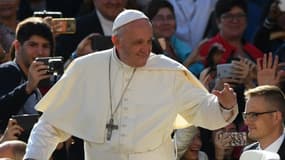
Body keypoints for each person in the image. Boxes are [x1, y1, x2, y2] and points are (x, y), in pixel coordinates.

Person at [23, 9, 238, 160]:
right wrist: (33, 156)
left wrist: (225, 106)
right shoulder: (85, 68)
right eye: (137, 42)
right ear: (116, 41)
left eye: (148, 41)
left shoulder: (169, 71)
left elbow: (202, 111)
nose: (146, 49)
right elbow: (51, 124)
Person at [0, 17, 54, 133]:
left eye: (45, 46)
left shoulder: (42, 81)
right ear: (18, 46)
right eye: (33, 45)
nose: (40, 52)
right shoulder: (8, 71)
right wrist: (28, 87)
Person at [242, 85, 285, 159]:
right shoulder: (247, 153)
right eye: (246, 115)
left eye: (254, 115)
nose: (246, 122)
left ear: (276, 117)